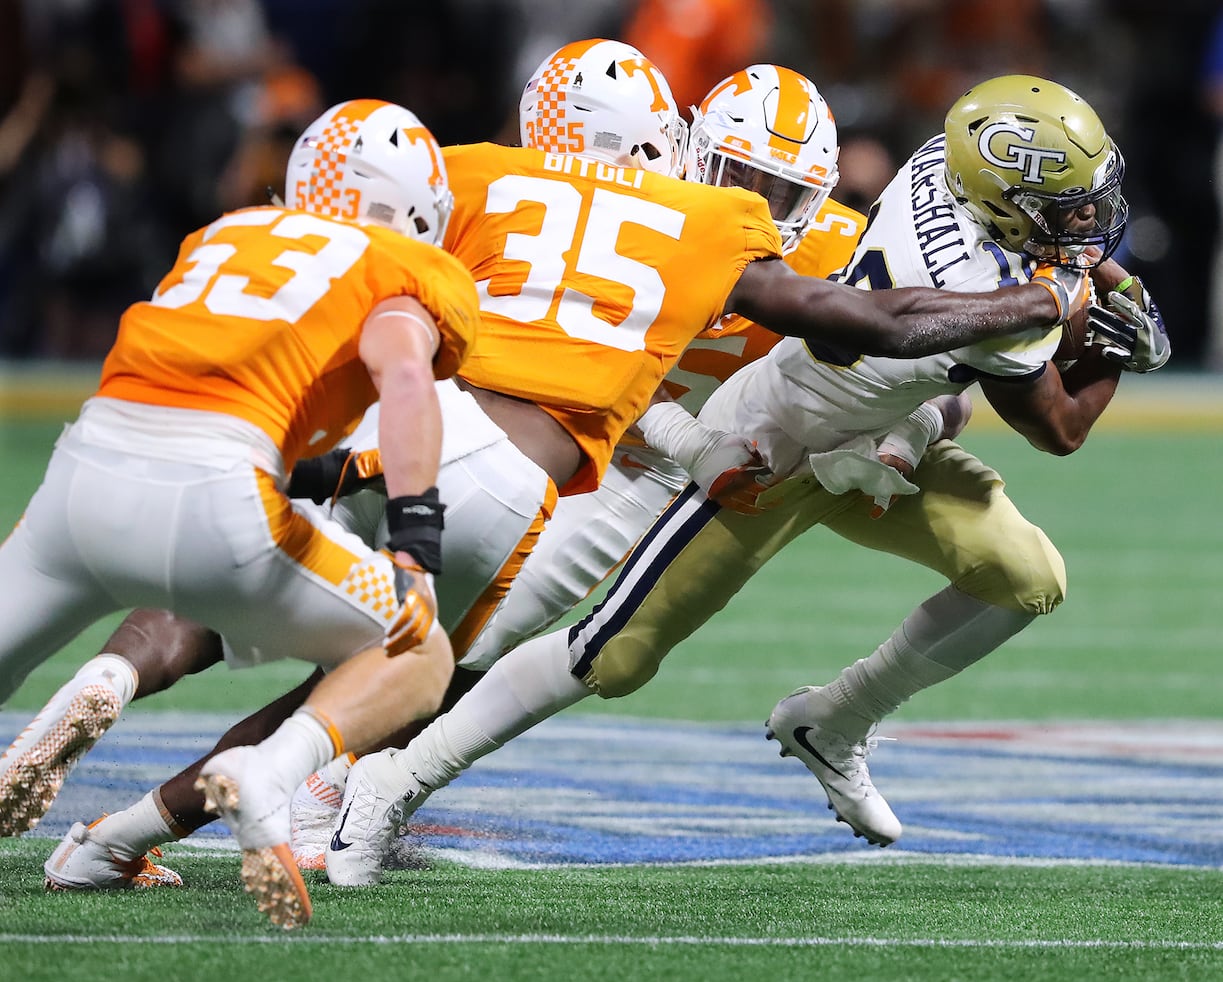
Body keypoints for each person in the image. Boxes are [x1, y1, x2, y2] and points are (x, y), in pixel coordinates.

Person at [24, 50, 1085, 926]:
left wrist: (908, 427)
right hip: (579, 465)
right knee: (420, 660)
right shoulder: (701, 224)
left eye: (779, 190)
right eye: (739, 174)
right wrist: (684, 436)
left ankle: (136, 716)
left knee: (295, 578)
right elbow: (890, 332)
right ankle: (256, 801)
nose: (756, 201)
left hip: (523, 430)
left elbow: (924, 364)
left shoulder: (523, 185)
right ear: (676, 142)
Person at [311, 73, 1170, 883]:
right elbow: (1057, 426)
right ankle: (395, 780)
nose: (1087, 221)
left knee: (1026, 577)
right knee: (611, 655)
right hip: (767, 448)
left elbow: (1023, 286)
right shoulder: (993, 310)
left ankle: (835, 719)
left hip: (874, 444)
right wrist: (1117, 350)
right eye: (1066, 207)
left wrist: (1097, 284)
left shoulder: (935, 168)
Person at [0, 97, 482, 930]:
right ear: (410, 208)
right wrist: (414, 544)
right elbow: (405, 381)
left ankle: (107, 676)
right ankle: (269, 774)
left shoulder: (224, 234)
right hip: (217, 505)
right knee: (420, 651)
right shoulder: (400, 269)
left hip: (80, 478)